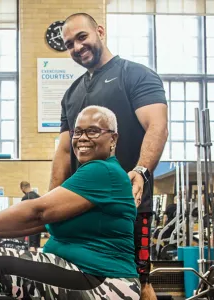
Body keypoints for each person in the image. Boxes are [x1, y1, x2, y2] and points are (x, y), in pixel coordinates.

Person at [0, 106, 140, 300]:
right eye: (77, 132)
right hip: (84, 273)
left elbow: (38, 212)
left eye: (92, 131)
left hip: (105, 283)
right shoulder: (92, 175)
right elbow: (40, 224)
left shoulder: (102, 170)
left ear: (113, 138)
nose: (82, 138)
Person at [49, 12, 168, 298]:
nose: (77, 47)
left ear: (100, 31)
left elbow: (157, 126)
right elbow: (64, 150)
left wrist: (140, 171)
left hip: (126, 203)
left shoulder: (135, 74)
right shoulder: (71, 93)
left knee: (139, 282)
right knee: (78, 275)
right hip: (82, 203)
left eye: (82, 37)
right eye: (69, 44)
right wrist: (50, 200)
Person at [20, 181, 41, 251]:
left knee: (31, 249)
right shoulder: (39, 197)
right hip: (39, 228)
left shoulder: (25, 198)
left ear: (22, 188)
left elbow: (23, 216)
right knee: (36, 248)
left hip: (30, 229)